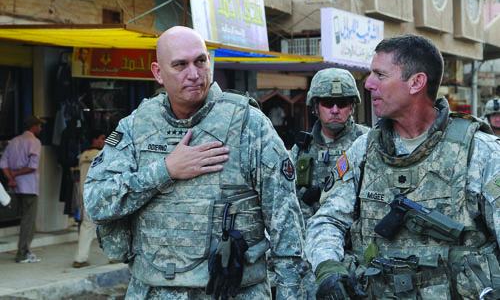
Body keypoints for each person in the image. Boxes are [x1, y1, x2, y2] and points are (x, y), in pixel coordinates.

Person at [84, 26, 304, 299]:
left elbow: (286, 223)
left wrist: (290, 293)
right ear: (157, 73)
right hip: (152, 290)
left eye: (201, 61)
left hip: (232, 291)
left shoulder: (250, 125)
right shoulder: (136, 126)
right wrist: (166, 170)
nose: (194, 74)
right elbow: (96, 201)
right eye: (180, 65)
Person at [306, 34, 500, 299]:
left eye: (380, 75)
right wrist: (328, 268)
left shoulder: (480, 152)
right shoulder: (364, 150)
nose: (369, 84)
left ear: (416, 82)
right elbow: (327, 220)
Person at [289, 68, 368, 299]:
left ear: (352, 106)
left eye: (342, 103)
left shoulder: (366, 145)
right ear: (315, 107)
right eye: (327, 103)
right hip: (308, 260)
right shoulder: (301, 149)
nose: (335, 110)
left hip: (354, 261)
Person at [0, 115, 44, 263]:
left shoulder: (13, 142)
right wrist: (17, 174)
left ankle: (24, 250)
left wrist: (11, 178)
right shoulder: (34, 142)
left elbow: (3, 163)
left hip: (15, 187)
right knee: (28, 221)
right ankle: (23, 253)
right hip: (29, 187)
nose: (41, 128)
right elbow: (32, 166)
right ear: (34, 126)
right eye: (39, 125)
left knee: (22, 219)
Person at [72, 129, 106, 268]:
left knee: (87, 226)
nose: (104, 142)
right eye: (102, 138)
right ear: (95, 140)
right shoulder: (101, 155)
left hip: (85, 195)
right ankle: (114, 255)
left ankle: (80, 259)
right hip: (99, 195)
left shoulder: (83, 156)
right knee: (109, 226)